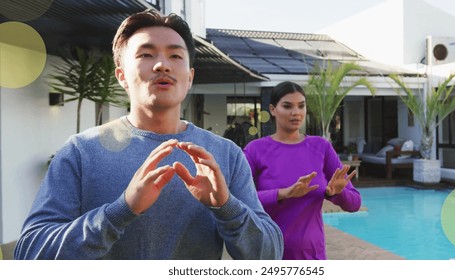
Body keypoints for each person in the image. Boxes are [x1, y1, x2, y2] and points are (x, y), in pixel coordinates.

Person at [14, 10, 283, 260]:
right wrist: (119, 212)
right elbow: (29, 253)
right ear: (121, 75)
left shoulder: (225, 155)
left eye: (175, 56)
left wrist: (226, 207)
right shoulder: (81, 151)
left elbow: (270, 256)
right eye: (146, 55)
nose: (162, 65)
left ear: (189, 77)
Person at [243, 81, 361, 260]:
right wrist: (283, 193)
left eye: (301, 106)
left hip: (311, 256)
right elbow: (240, 200)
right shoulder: (255, 150)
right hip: (267, 253)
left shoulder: (321, 147)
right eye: (287, 106)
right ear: (273, 109)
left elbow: (354, 204)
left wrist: (335, 193)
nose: (296, 112)